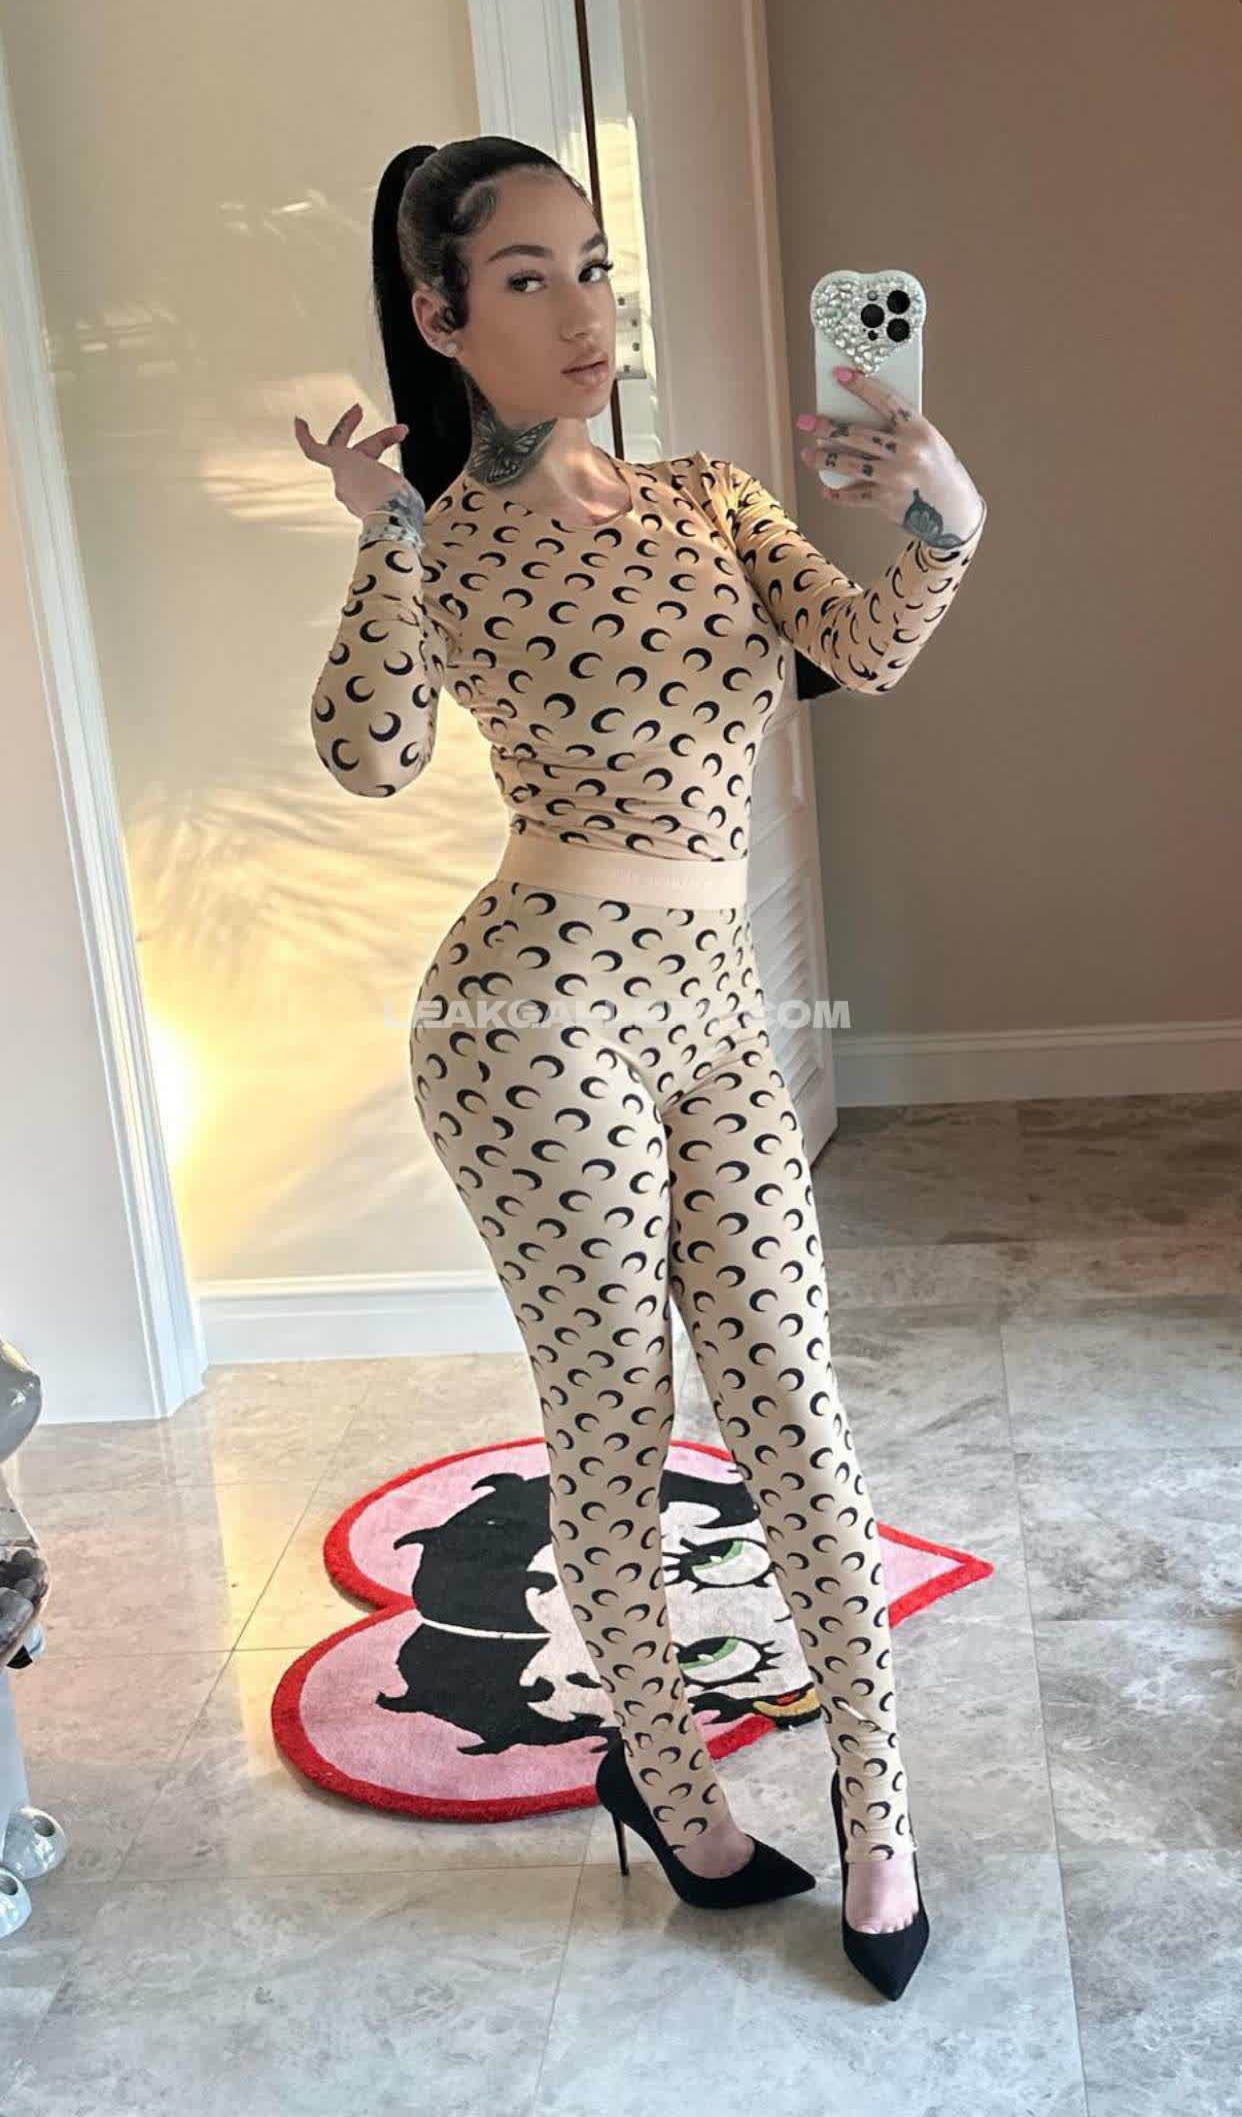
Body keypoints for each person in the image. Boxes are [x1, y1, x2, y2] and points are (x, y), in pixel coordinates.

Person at [296, 136, 986, 1998]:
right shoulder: (437, 535)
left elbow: (859, 647)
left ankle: (877, 1815)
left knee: (793, 1410)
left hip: (711, 1001)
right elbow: (367, 759)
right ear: (441, 316)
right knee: (611, 1419)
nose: (582, 309)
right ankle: (671, 1791)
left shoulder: (706, 496)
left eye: (591, 265)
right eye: (525, 278)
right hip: (532, 1014)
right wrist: (381, 535)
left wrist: (940, 509)